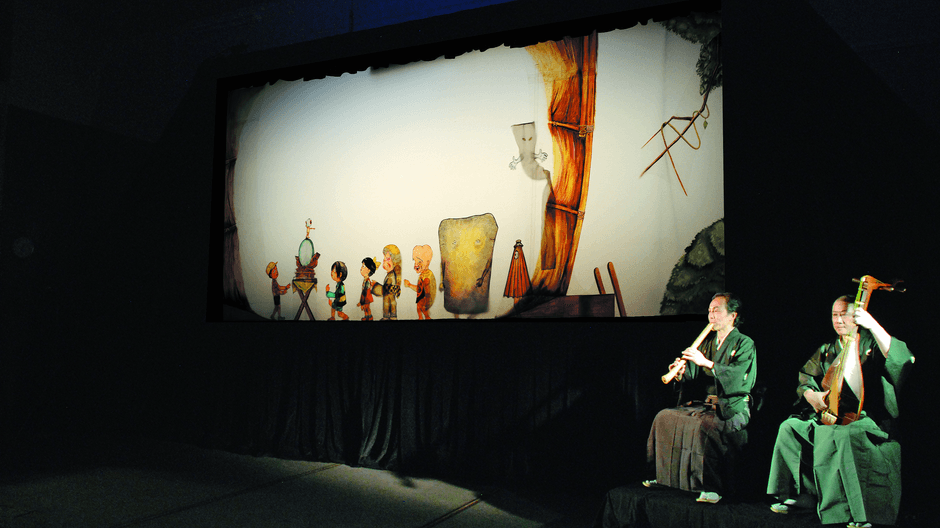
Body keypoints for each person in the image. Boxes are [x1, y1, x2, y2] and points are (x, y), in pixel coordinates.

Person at [767, 295, 914, 527]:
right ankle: (800, 496)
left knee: (843, 435)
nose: (838, 320)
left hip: (867, 418)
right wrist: (811, 396)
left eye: (844, 314)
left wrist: (872, 325)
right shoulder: (827, 349)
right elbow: (806, 378)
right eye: (834, 315)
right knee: (790, 427)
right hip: (831, 415)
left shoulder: (871, 344)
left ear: (857, 316)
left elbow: (902, 359)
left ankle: (858, 513)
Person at [644, 292, 757, 503]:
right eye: (709, 311)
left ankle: (711, 487)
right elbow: (692, 374)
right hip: (706, 405)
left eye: (716, 310)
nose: (711, 315)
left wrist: (707, 363)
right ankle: (663, 477)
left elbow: (740, 377)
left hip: (732, 406)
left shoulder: (745, 343)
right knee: (664, 417)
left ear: (733, 315)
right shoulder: (707, 342)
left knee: (707, 425)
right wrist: (680, 371)